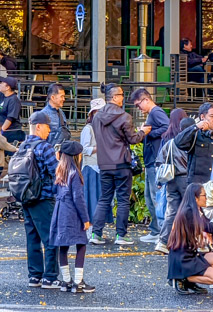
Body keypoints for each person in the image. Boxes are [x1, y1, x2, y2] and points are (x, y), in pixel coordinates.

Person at [90, 83, 148, 246]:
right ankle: (120, 235)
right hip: (121, 163)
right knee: (122, 200)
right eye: (121, 95)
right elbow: (133, 139)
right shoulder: (124, 117)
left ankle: (96, 233)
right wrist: (143, 131)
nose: (123, 98)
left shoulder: (97, 117)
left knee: (104, 199)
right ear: (115, 97)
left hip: (104, 163)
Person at [20, 111, 62, 288]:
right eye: (47, 127)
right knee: (50, 237)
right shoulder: (44, 147)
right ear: (38, 126)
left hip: (25, 197)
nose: (49, 131)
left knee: (32, 238)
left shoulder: (22, 146)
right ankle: (50, 277)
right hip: (43, 196)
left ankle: (35, 276)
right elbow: (57, 172)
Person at [49, 140, 94, 293]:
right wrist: (86, 219)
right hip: (72, 213)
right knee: (81, 244)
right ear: (77, 156)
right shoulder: (75, 173)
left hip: (60, 211)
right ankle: (78, 282)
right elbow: (79, 199)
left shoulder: (59, 170)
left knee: (63, 246)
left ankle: (66, 281)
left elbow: (54, 191)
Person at [167, 182, 213, 295]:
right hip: (183, 259)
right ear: (195, 198)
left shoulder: (195, 210)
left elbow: (207, 224)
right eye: (204, 195)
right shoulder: (188, 212)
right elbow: (210, 227)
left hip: (192, 253)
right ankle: (182, 278)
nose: (207, 198)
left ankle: (188, 281)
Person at [131, 87, 170, 244]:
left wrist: (147, 132)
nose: (138, 108)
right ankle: (156, 230)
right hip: (151, 162)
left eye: (138, 104)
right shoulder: (153, 114)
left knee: (155, 197)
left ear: (146, 100)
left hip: (155, 162)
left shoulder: (156, 112)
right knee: (149, 197)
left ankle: (161, 232)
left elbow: (167, 128)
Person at [153, 109, 191, 252]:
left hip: (171, 179)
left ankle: (163, 241)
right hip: (185, 178)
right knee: (190, 210)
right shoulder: (189, 141)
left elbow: (159, 161)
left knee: (172, 210)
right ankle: (186, 241)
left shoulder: (169, 141)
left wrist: (159, 181)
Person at [174, 102, 213, 187]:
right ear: (202, 117)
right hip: (200, 189)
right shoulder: (196, 136)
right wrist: (196, 127)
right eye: (212, 116)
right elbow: (178, 142)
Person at [79, 97, 105, 230]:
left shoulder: (105, 128)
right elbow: (83, 148)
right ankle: (90, 228)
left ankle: (97, 229)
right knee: (91, 201)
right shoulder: (88, 129)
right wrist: (99, 148)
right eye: (97, 111)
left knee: (100, 200)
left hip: (102, 167)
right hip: (91, 168)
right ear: (92, 113)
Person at [0, 77, 24, 142]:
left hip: (11, 133)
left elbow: (10, 118)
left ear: (7, 87)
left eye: (2, 83)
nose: (0, 84)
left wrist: (1, 131)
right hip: (3, 131)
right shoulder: (2, 95)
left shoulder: (14, 100)